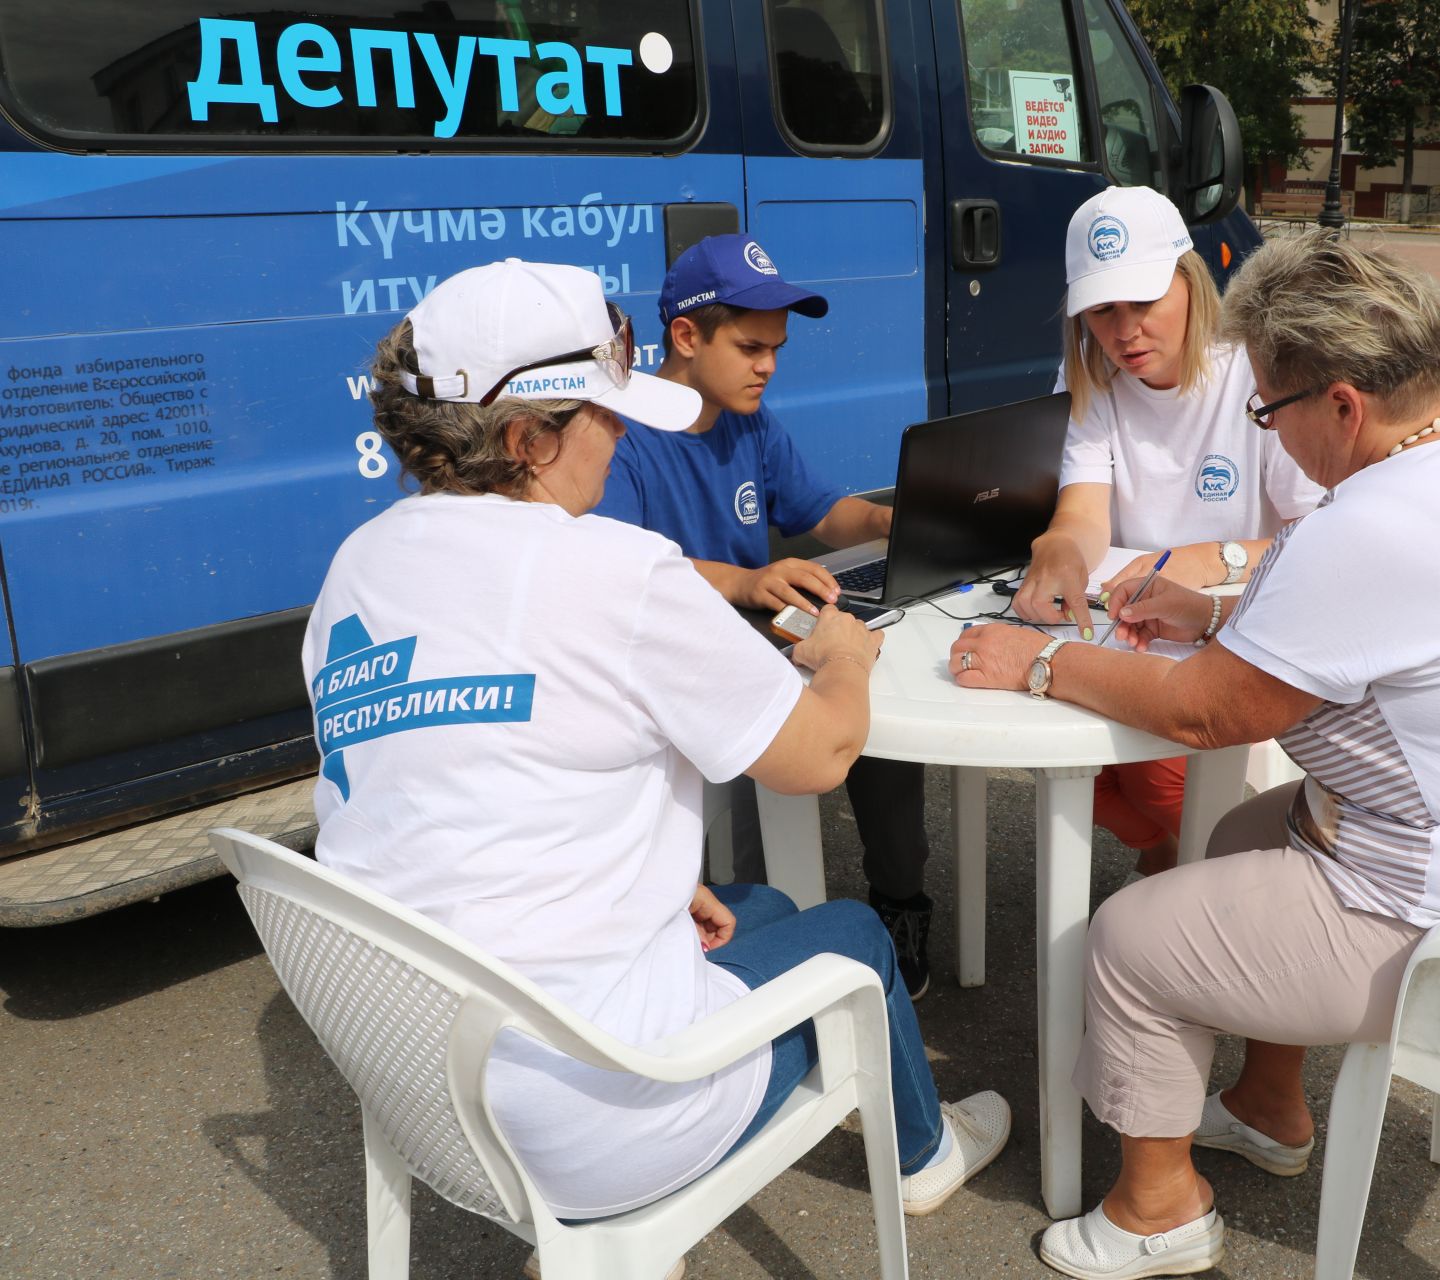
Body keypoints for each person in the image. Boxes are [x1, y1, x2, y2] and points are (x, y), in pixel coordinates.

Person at [949, 233, 1440, 1278]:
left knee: (1132, 936)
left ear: (1342, 405)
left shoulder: (1374, 521)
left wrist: (1038, 660)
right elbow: (1363, 627)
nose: (1267, 427)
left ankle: (1159, 1208)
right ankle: (1269, 1105)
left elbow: (1201, 712)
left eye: (1270, 410)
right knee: (1240, 830)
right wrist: (1215, 604)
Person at [303, 260, 1009, 1269]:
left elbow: (460, 787)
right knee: (853, 934)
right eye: (602, 411)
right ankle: (929, 1154)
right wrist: (845, 659)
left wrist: (659, 882)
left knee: (755, 908)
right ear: (526, 439)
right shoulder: (616, 570)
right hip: (594, 1113)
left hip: (421, 1077)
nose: (622, 433)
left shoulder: (357, 567)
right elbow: (820, 754)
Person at [594, 234, 940, 997]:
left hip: (763, 638)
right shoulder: (620, 441)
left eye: (776, 349)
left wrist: (896, 522)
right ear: (685, 336)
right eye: (751, 347)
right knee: (772, 795)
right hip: (686, 665)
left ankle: (899, 896)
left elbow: (822, 511)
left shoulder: (749, 422)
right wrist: (748, 580)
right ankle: (765, 951)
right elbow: (617, 569)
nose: (769, 367)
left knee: (878, 705)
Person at [1015, 187, 1323, 876]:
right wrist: (1059, 552)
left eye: (1143, 302)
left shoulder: (1256, 370)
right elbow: (1083, 512)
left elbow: (1320, 540)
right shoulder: (1089, 372)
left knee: (1149, 773)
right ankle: (1170, 855)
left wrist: (1206, 557)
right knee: (1060, 755)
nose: (1125, 332)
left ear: (1189, 282)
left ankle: (1210, 878)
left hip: (1231, 629)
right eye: (1102, 310)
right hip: (1130, 626)